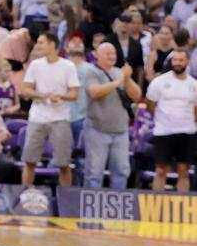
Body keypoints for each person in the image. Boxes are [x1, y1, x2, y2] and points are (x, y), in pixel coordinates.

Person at [21, 32, 80, 187]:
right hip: (37, 117)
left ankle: (66, 199)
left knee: (63, 163)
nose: (37, 46)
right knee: (30, 161)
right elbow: (25, 90)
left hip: (60, 118)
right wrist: (44, 95)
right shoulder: (35, 65)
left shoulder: (68, 66)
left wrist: (60, 96)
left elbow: (75, 94)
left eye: (41, 42)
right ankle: (24, 194)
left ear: (52, 44)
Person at [83, 42, 141, 189]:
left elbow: (137, 96)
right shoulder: (92, 72)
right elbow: (94, 92)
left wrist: (127, 79)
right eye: (107, 53)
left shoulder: (119, 73)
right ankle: (92, 208)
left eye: (113, 53)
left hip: (120, 131)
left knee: (121, 171)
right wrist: (118, 82)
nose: (111, 56)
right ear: (98, 55)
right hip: (97, 130)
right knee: (95, 173)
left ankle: (118, 205)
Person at [145, 47, 197, 191]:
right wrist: (160, 119)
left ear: (187, 62)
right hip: (164, 131)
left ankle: (183, 208)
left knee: (184, 171)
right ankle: (156, 205)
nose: (177, 63)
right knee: (161, 170)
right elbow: (150, 104)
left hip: (187, 132)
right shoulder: (159, 81)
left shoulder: (194, 84)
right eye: (175, 60)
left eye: (181, 60)